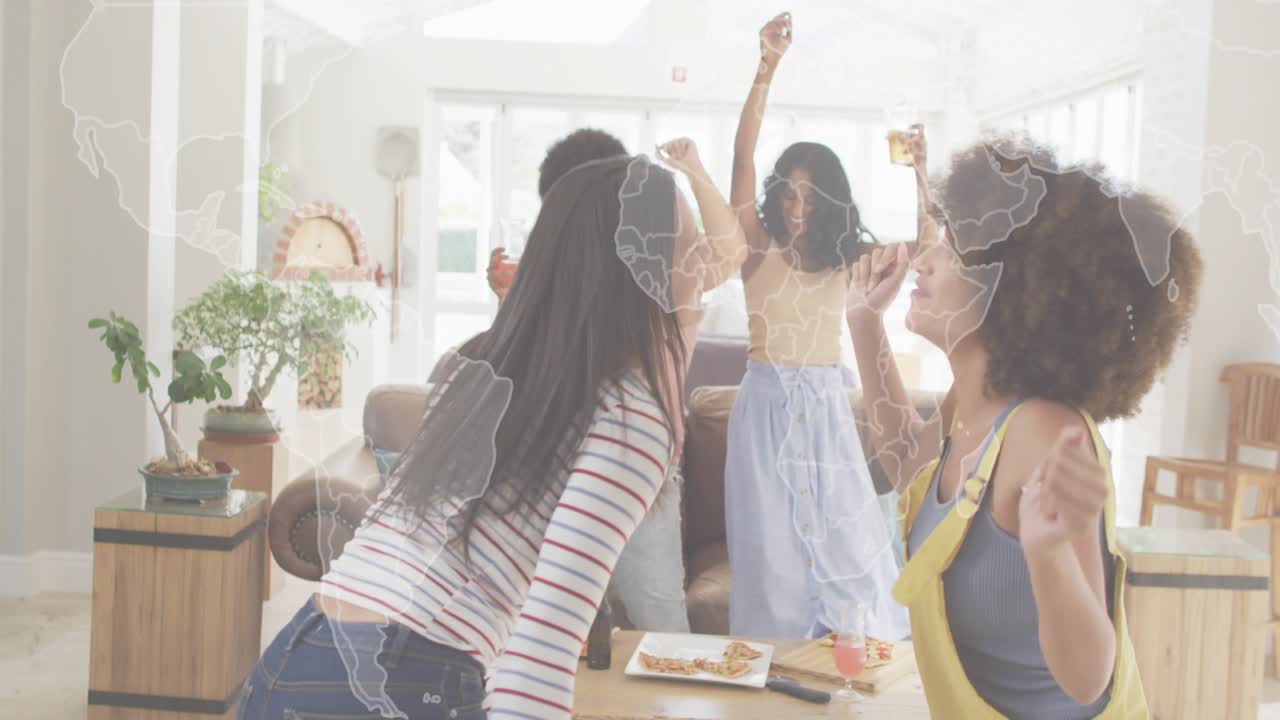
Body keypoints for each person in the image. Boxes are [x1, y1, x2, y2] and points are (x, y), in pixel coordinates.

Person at [238, 153, 741, 720]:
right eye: (691, 239)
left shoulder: (482, 364)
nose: (705, 258)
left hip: (294, 661)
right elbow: (541, 651)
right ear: (635, 266)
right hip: (403, 678)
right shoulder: (631, 416)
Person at [846, 128, 1202, 717]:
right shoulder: (971, 405)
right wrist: (864, 324)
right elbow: (910, 463)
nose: (924, 259)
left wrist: (1051, 553)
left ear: (1012, 291)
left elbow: (1088, 676)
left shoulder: (1039, 430)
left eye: (953, 250)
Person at [481, 129, 746, 634]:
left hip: (644, 481)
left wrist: (693, 172)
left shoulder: (661, 280)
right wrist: (509, 305)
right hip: (556, 471)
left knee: (661, 625)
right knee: (558, 632)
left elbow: (730, 252)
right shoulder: (560, 288)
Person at [724, 11, 908, 641]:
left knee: (850, 556)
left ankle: (860, 670)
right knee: (772, 563)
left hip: (826, 408)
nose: (797, 210)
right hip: (765, 410)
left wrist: (923, 174)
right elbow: (742, 158)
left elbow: (926, 252)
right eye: (788, 195)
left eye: (809, 198)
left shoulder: (846, 260)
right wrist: (766, 67)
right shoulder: (754, 249)